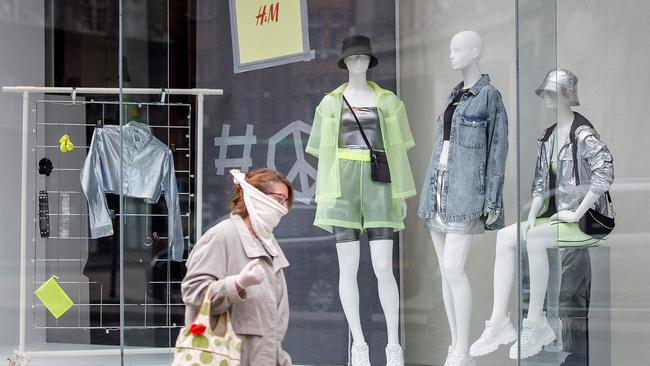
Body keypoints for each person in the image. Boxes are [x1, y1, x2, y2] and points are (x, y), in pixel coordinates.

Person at [181, 168, 294, 365]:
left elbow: (271, 326)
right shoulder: (223, 235)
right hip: (226, 356)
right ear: (256, 196)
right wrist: (237, 284)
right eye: (278, 198)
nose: (283, 207)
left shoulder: (268, 244)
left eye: (286, 201)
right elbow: (194, 292)